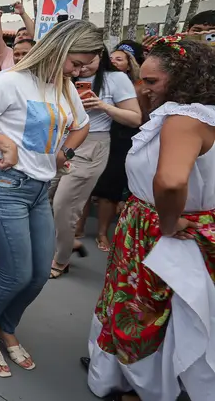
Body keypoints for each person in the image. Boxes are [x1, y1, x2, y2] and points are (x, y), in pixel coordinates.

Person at [0, 20, 103, 378]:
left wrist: (64, 151)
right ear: (59, 50)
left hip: (38, 189)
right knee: (15, 272)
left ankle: (7, 326)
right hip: (2, 185)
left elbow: (82, 125)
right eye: (77, 63)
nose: (80, 72)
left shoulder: (65, 87)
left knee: (37, 275)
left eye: (86, 66)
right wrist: (4, 143)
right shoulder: (13, 81)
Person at [85, 37, 215, 401]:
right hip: (173, 224)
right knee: (166, 308)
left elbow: (171, 180)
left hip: (161, 228)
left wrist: (169, 222)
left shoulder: (183, 119)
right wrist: (148, 94)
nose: (144, 88)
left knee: (147, 310)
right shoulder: (193, 114)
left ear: (184, 80)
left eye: (152, 82)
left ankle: (144, 388)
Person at [49, 49, 140, 278]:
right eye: (79, 61)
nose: (84, 67)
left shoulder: (115, 79)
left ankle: (61, 259)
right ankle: (68, 242)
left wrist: (103, 106)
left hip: (92, 144)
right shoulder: (66, 74)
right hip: (59, 142)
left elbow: (136, 118)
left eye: (90, 61)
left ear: (102, 56)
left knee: (64, 204)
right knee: (43, 197)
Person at [0, 2, 35, 71]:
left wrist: (23, 14)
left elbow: (35, 34)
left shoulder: (36, 52)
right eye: (18, 35)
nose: (20, 36)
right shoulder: (7, 53)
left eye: (25, 34)